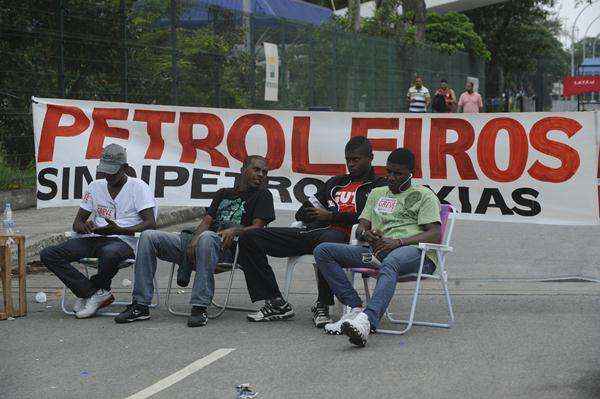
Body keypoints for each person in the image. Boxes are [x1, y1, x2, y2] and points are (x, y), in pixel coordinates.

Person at [237, 136, 387, 326]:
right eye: (348, 159)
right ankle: (276, 301)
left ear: (370, 158)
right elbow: (302, 212)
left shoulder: (379, 187)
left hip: (344, 237)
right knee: (249, 237)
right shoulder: (335, 183)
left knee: (327, 242)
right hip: (311, 233)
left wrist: (331, 216)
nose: (351, 164)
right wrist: (311, 212)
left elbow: (373, 218)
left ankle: (322, 305)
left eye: (356, 159)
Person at [115, 155, 274, 327]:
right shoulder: (223, 193)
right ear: (243, 170)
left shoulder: (263, 196)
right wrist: (194, 241)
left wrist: (235, 230)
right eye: (256, 169)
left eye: (264, 172)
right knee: (148, 236)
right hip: (200, 242)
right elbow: (206, 221)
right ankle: (140, 305)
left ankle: (199, 307)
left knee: (207, 238)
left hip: (229, 249)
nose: (261, 175)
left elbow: (258, 229)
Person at [313, 148, 442, 347]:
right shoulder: (377, 193)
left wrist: (398, 242)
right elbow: (361, 225)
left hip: (416, 254)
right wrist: (366, 233)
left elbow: (434, 233)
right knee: (324, 250)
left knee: (391, 261)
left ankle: (367, 321)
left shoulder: (423, 195)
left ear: (411, 173)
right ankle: (354, 307)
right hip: (376, 252)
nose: (391, 177)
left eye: (397, 173)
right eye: (388, 171)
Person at [40, 144, 156, 318]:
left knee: (109, 253)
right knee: (49, 254)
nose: (108, 176)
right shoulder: (95, 186)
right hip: (94, 237)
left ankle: (92, 291)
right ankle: (92, 292)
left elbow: (150, 223)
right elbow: (77, 223)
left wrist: (121, 229)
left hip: (125, 240)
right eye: (105, 171)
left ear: (124, 168)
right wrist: (84, 226)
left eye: (113, 172)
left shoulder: (138, 187)